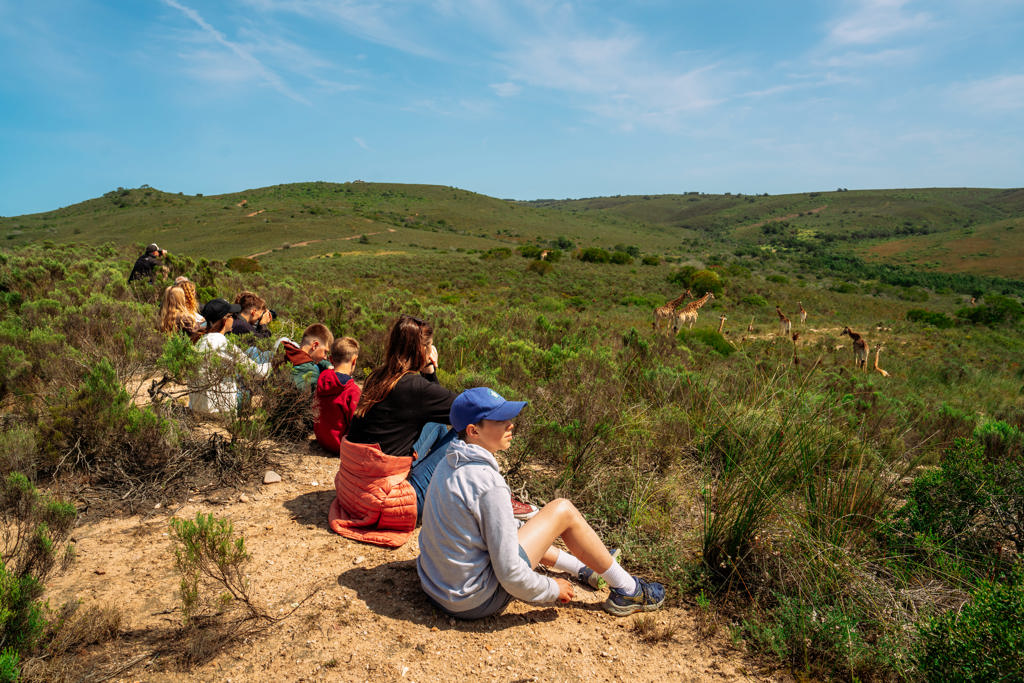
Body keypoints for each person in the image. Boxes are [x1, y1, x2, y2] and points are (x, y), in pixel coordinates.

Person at [417, 388, 666, 619]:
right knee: (563, 510)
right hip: (473, 600)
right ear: (474, 431)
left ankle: (583, 568)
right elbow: (510, 573)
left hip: (438, 586)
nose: (510, 425)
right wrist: (550, 588)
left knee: (513, 529)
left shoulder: (448, 462)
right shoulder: (487, 483)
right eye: (500, 421)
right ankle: (629, 589)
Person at [328, 315, 455, 547]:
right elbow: (459, 411)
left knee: (436, 425)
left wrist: (426, 369)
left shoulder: (378, 376)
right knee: (465, 432)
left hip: (353, 492)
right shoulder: (414, 388)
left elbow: (438, 412)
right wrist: (430, 370)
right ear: (422, 350)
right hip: (388, 504)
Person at [188, 298, 271, 415]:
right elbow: (258, 372)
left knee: (252, 353)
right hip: (218, 410)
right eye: (232, 316)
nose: (234, 319)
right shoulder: (220, 342)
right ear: (225, 320)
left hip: (196, 406)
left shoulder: (199, 340)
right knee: (266, 356)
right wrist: (276, 363)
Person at [314, 337, 361, 454]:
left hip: (322, 440)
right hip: (341, 446)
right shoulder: (352, 390)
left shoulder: (321, 381)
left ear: (330, 359)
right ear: (354, 360)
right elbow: (357, 424)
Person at [277, 323, 333, 391]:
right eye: (325, 352)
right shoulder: (309, 371)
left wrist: (328, 366)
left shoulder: (287, 354)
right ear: (315, 345)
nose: (325, 357)